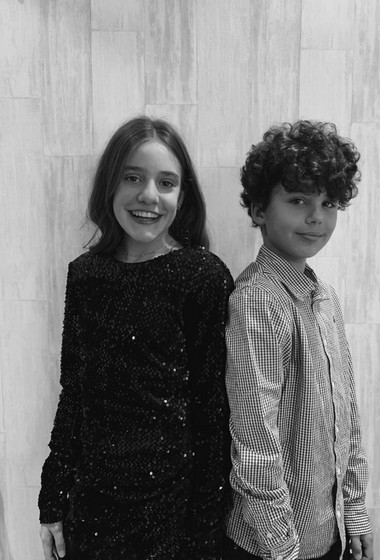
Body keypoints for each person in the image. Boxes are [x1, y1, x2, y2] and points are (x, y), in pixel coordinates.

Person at [38, 116, 234, 560]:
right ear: (110, 185)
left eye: (166, 182)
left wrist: (203, 533)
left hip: (171, 516)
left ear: (182, 196)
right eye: (132, 177)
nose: (148, 195)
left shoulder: (201, 276)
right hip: (89, 510)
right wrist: (52, 498)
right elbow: (74, 394)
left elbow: (213, 413)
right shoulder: (85, 275)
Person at [223, 121, 374, 560]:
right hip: (273, 545)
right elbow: (255, 442)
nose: (316, 217)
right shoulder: (258, 301)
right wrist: (282, 549)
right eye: (298, 200)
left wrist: (355, 510)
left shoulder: (325, 297)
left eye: (329, 203)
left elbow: (347, 413)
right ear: (258, 210)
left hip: (328, 530)